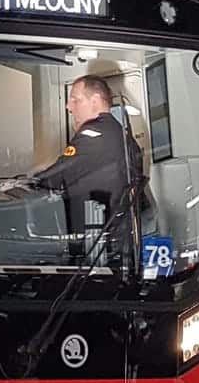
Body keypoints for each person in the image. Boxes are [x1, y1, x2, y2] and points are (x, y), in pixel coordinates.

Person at [32, 75, 145, 260]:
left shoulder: (94, 134)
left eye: (75, 100)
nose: (69, 107)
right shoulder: (119, 133)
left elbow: (54, 178)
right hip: (115, 243)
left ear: (95, 101)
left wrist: (28, 183)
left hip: (96, 247)